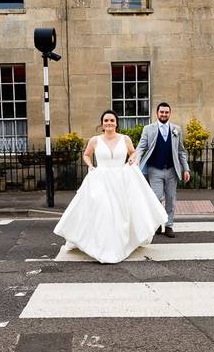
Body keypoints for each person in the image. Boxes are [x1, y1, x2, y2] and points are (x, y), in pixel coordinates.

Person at [53, 110, 168, 264]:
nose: (109, 123)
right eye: (106, 120)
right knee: (104, 211)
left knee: (121, 213)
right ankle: (103, 246)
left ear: (116, 123)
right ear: (102, 123)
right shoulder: (95, 140)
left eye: (112, 120)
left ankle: (119, 243)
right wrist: (90, 166)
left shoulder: (125, 139)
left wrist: (132, 159)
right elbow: (86, 155)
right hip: (101, 180)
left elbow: (133, 152)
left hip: (121, 180)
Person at [132, 102, 190, 238]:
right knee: (156, 198)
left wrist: (186, 169)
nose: (164, 114)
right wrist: (136, 158)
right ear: (157, 113)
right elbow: (141, 147)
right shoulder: (148, 129)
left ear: (169, 113)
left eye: (166, 112)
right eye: (161, 112)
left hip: (172, 170)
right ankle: (158, 223)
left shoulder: (177, 129)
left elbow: (181, 151)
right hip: (155, 170)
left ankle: (169, 225)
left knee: (170, 199)